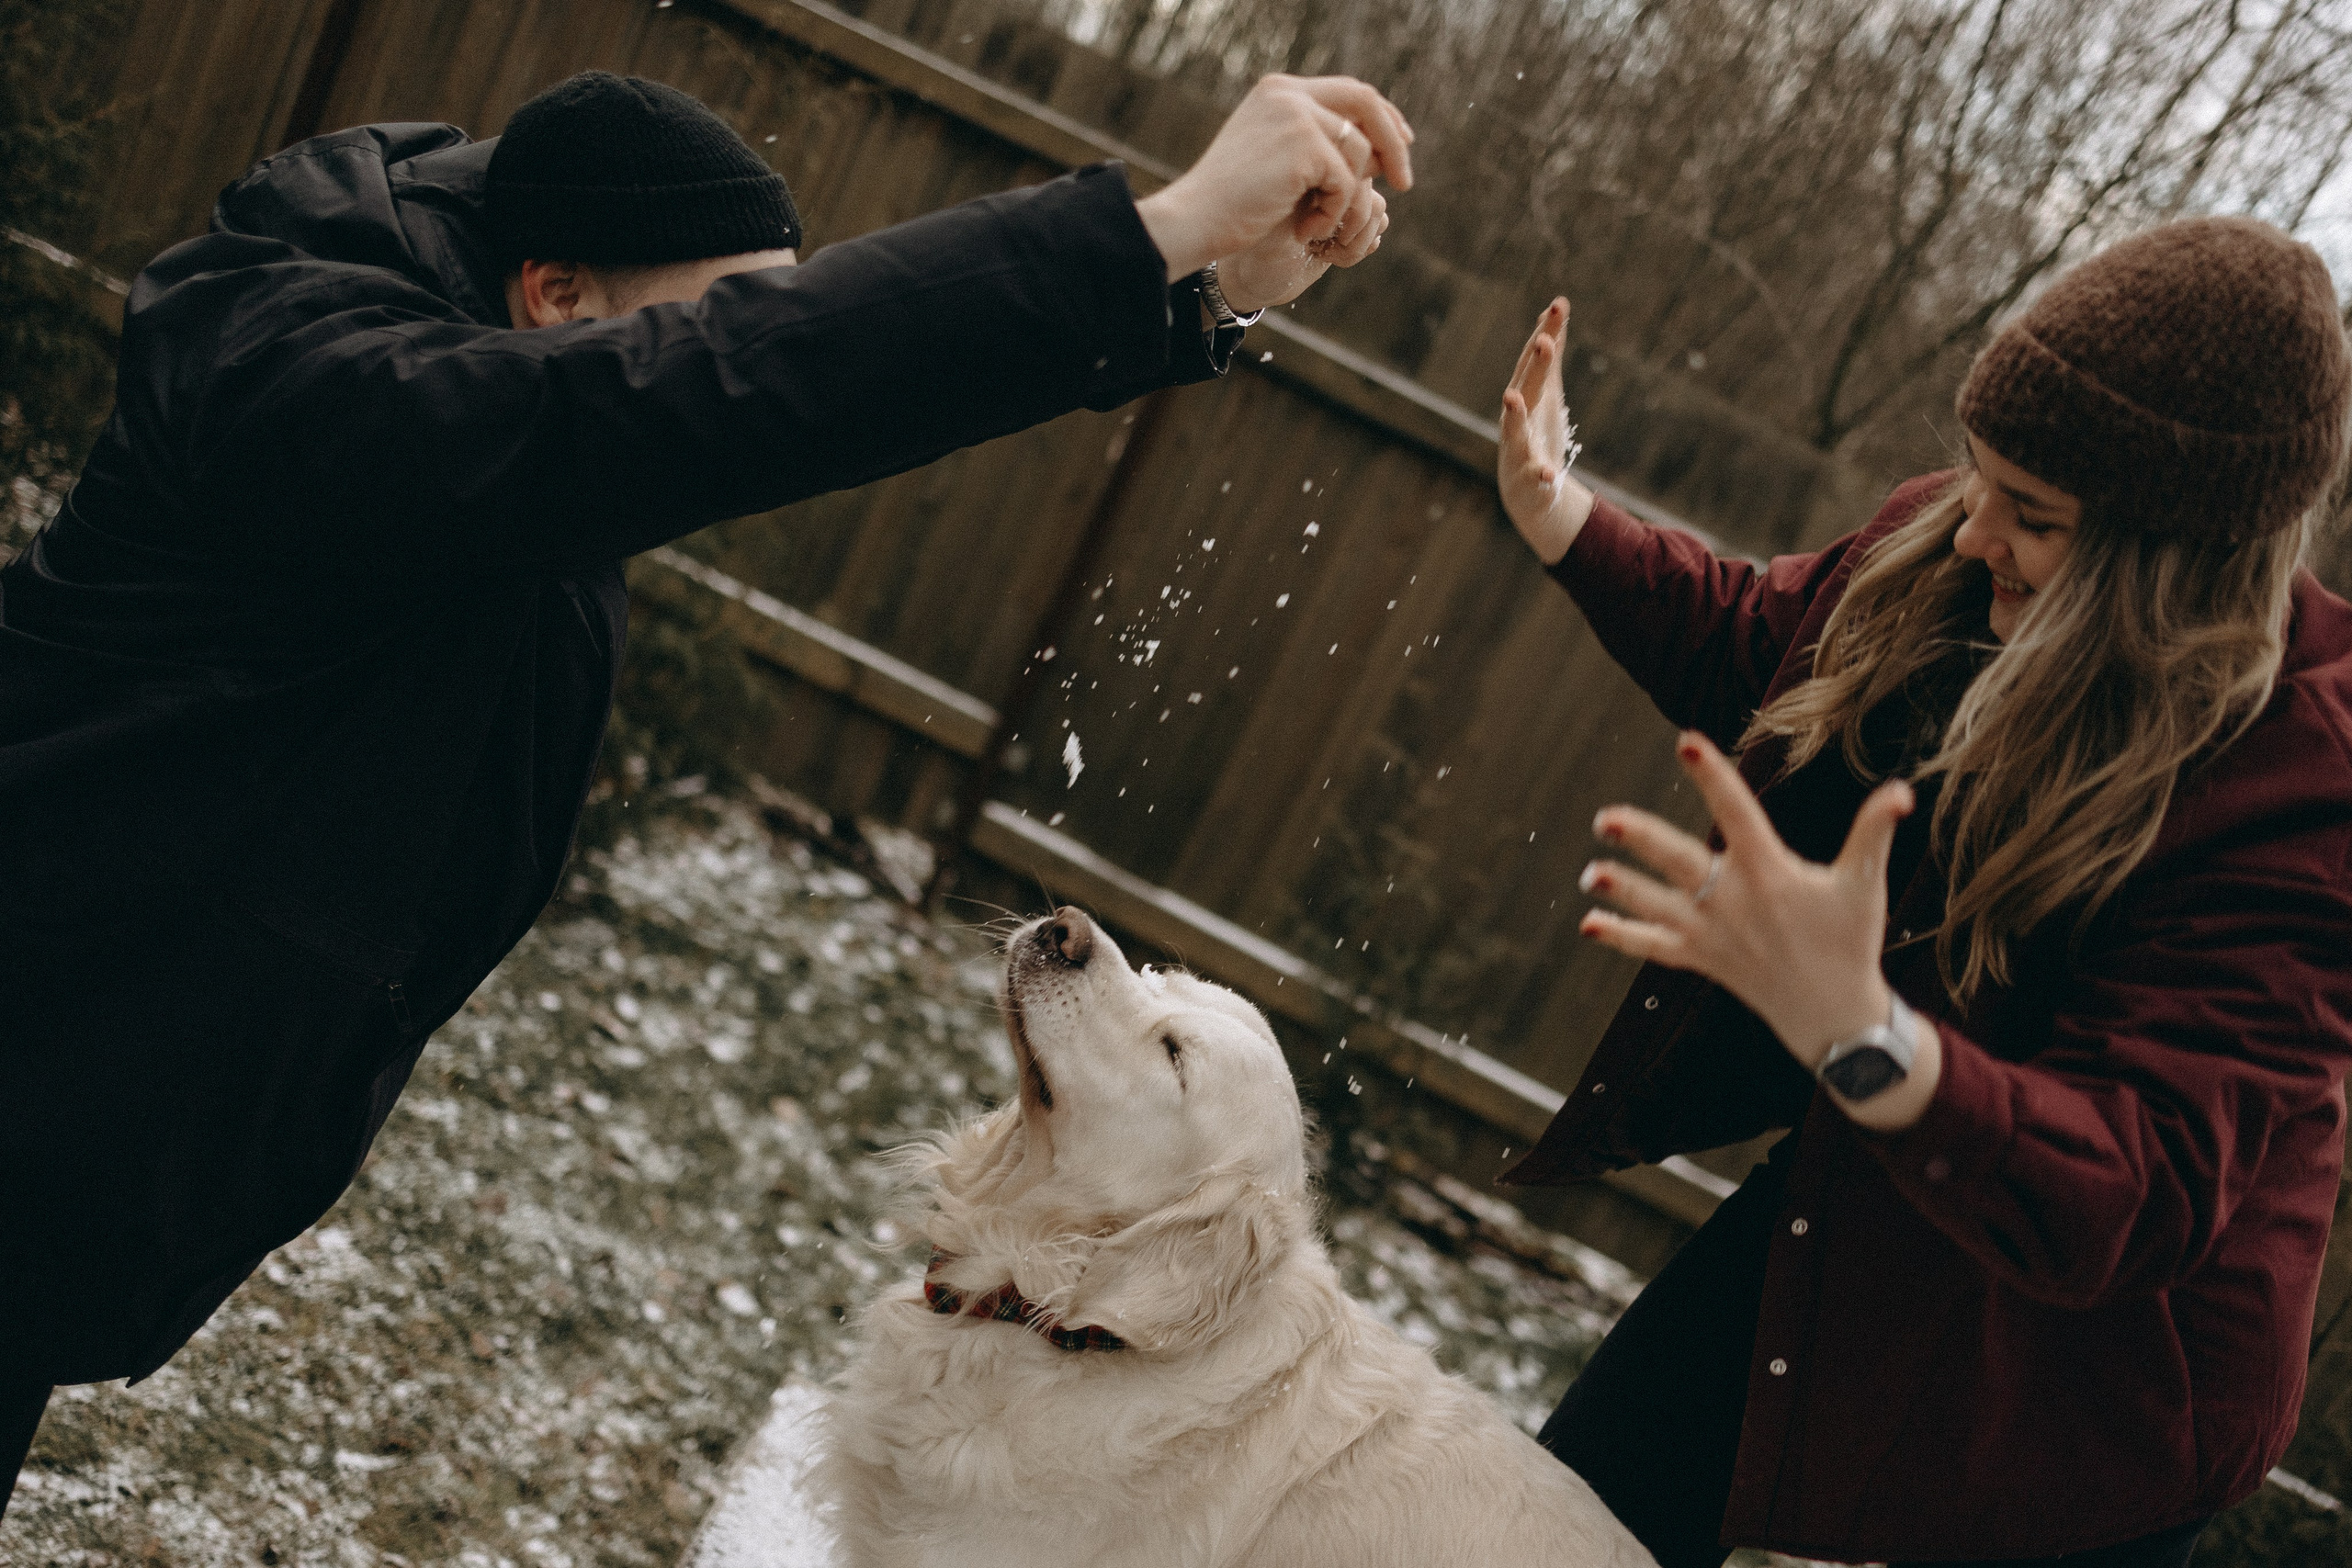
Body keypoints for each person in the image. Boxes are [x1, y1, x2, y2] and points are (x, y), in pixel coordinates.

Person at [0, 69, 1411, 1511]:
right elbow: (713, 394)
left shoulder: (476, 380)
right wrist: (1148, 229)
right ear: (555, 292)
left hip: (87, 1097)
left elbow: (758, 382)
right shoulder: (326, 395)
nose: (733, 372)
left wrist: (1194, 293)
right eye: (709, 326)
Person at [1492, 216, 2352, 1565]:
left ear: (2174, 562)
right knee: (1561, 1530)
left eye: (2040, 517)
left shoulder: (2303, 789)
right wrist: (1562, 515)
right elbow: (1765, 648)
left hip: (2093, 1393)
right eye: (1983, 478)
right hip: (1879, 1183)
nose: (1977, 534)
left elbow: (2133, 1185)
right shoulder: (1949, 553)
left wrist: (1861, 1033)